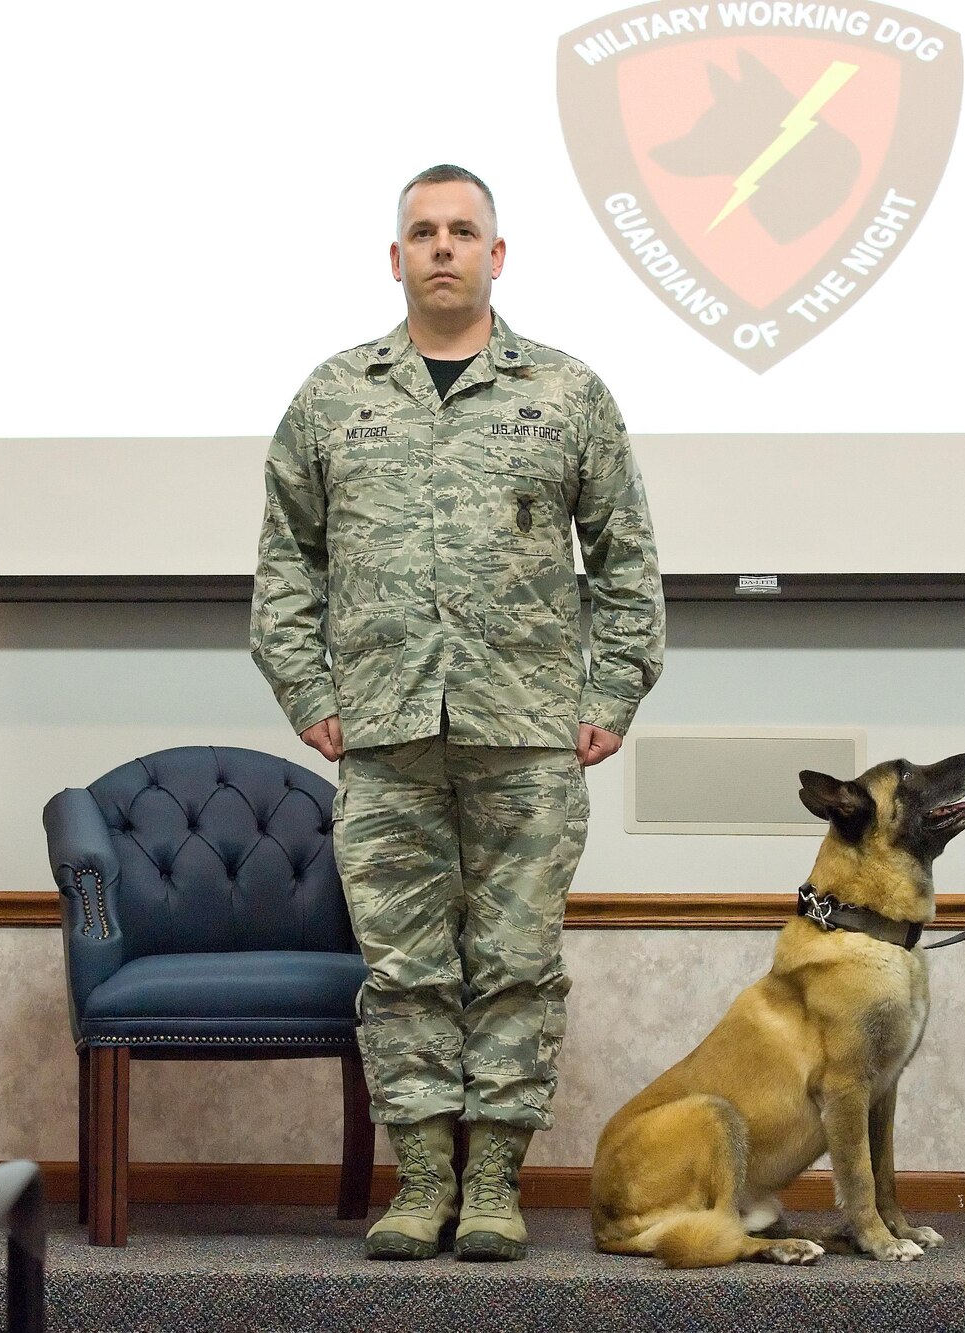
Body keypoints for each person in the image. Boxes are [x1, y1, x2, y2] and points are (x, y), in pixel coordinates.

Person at [252, 164, 665, 1261]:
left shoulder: (566, 394)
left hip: (525, 729)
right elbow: (284, 561)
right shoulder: (334, 396)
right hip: (383, 734)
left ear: (496, 254)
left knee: (516, 960)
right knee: (404, 968)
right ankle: (421, 1175)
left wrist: (610, 692)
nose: (442, 247)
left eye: (462, 230)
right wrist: (307, 691)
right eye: (422, 232)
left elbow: (626, 563)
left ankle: (493, 1179)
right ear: (395, 259)